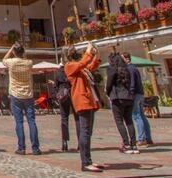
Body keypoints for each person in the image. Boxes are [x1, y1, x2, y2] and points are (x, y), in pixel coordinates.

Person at [65, 42, 103, 173]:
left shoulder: (81, 68)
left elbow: (91, 66)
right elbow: (82, 63)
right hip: (82, 101)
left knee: (88, 132)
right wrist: (87, 52)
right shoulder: (69, 66)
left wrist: (96, 53)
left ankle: (89, 160)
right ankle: (85, 162)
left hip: (90, 100)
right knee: (85, 132)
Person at [3, 43, 41, 155]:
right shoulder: (29, 63)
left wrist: (11, 49)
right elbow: (26, 58)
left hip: (15, 95)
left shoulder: (11, 63)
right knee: (32, 122)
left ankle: (21, 148)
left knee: (19, 122)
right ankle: (35, 148)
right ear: (23, 52)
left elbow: (4, 59)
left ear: (14, 52)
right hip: (28, 95)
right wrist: (22, 53)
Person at [106, 53, 138, 154]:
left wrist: (108, 93)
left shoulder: (112, 69)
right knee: (129, 121)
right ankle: (134, 145)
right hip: (129, 98)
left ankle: (126, 144)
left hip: (118, 98)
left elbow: (109, 84)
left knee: (119, 121)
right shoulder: (127, 69)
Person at [122, 52, 153, 147]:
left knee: (137, 116)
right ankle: (148, 138)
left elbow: (132, 83)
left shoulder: (130, 69)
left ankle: (142, 139)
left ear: (127, 59)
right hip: (140, 93)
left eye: (122, 59)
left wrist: (130, 93)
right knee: (142, 116)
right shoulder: (134, 68)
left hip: (135, 94)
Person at [51, 63, 78, 152]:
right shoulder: (73, 69)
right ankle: (81, 142)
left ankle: (64, 142)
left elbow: (55, 86)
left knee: (64, 119)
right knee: (77, 119)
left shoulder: (58, 73)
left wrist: (57, 96)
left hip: (63, 96)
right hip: (74, 94)